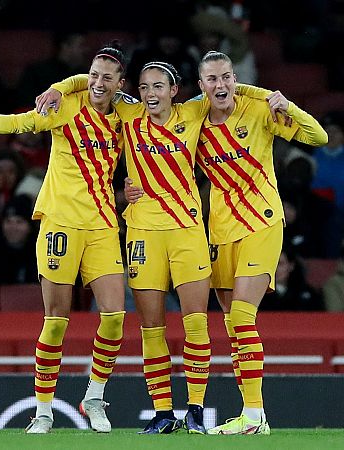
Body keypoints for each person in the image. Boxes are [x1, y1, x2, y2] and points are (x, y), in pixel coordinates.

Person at [124, 51, 327, 434]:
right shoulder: (196, 122)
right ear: (200, 87)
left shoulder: (259, 110)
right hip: (219, 230)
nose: (221, 86)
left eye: (227, 77)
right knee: (233, 328)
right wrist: (132, 186)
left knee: (241, 318)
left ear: (235, 79)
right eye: (212, 80)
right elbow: (166, 158)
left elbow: (319, 136)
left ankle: (254, 415)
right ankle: (248, 414)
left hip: (261, 224)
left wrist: (283, 103)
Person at [0, 44, 129, 434]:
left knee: (114, 318)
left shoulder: (127, 113)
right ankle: (43, 411)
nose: (98, 83)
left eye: (107, 77)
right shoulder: (67, 104)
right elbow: (23, 123)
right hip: (60, 224)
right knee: (56, 321)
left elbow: (164, 106)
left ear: (120, 83)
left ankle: (94, 396)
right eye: (93, 74)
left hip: (102, 224)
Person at [37, 62, 216, 433]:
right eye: (145, 86)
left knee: (196, 322)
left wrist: (271, 98)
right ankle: (164, 412)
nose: (151, 93)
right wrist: (57, 85)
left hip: (188, 231)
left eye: (159, 86)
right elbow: (92, 83)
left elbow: (225, 82)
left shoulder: (196, 110)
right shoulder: (128, 110)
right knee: (151, 327)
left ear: (175, 90)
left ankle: (196, 410)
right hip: (142, 232)